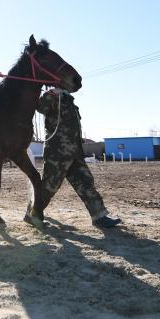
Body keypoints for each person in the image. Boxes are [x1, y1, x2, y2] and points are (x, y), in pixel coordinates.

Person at [35, 88, 122, 229]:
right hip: (58, 152)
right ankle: (33, 213)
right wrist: (51, 94)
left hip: (75, 151)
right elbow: (40, 108)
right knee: (49, 186)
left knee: (86, 181)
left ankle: (99, 216)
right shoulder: (51, 95)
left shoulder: (69, 100)